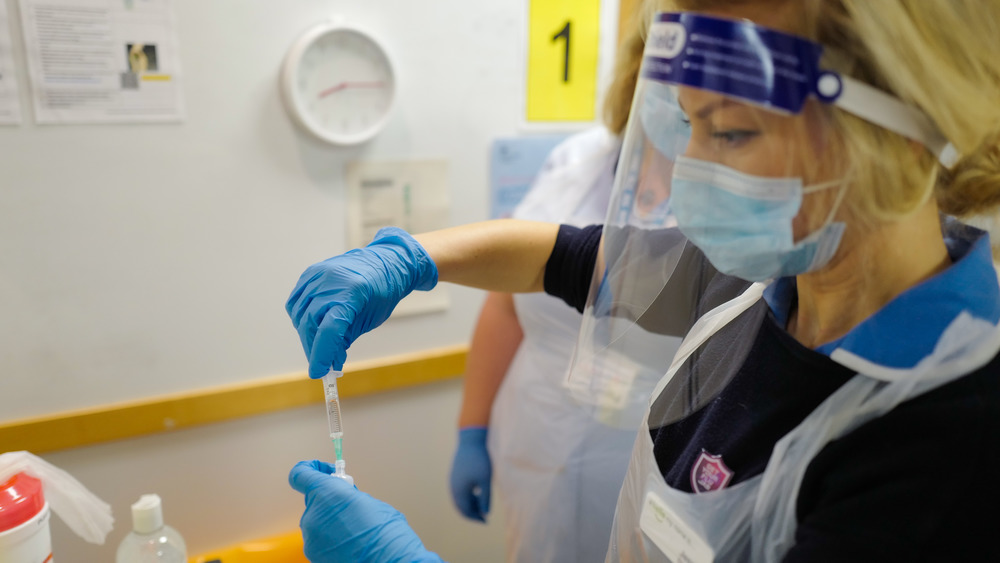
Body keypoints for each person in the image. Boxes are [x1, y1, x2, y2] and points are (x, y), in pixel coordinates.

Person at [286, 0, 1000, 561]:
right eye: (682, 124)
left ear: (900, 135)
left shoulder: (947, 443)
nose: (689, 171)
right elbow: (559, 258)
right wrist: (410, 257)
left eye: (729, 132)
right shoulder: (768, 281)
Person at [447, 21, 678, 563]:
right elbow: (508, 300)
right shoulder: (581, 161)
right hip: (535, 430)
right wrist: (471, 429)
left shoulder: (729, 195)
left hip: (642, 455)